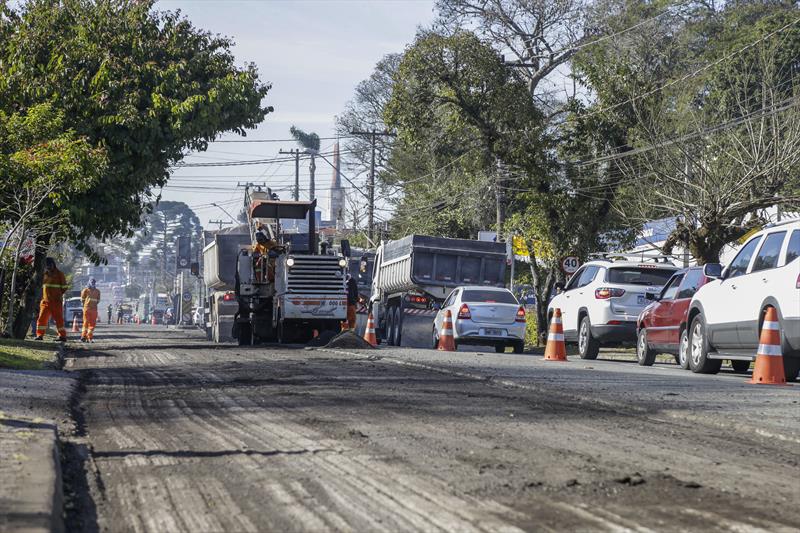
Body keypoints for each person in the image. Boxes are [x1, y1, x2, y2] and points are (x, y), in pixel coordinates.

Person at [34, 257, 69, 341]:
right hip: (45, 301)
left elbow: (64, 287)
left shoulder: (60, 274)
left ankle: (62, 336)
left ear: (53, 265)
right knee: (41, 319)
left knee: (59, 320)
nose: (49, 267)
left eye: (50, 265)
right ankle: (39, 335)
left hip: (56, 302)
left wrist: (58, 295)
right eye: (47, 265)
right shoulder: (44, 274)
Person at [80, 278, 101, 342]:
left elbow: (98, 300)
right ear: (89, 283)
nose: (93, 284)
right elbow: (82, 300)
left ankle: (87, 336)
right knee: (87, 323)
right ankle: (85, 336)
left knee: (91, 324)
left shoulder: (97, 291)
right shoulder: (86, 290)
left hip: (92, 309)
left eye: (93, 283)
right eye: (92, 283)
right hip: (88, 309)